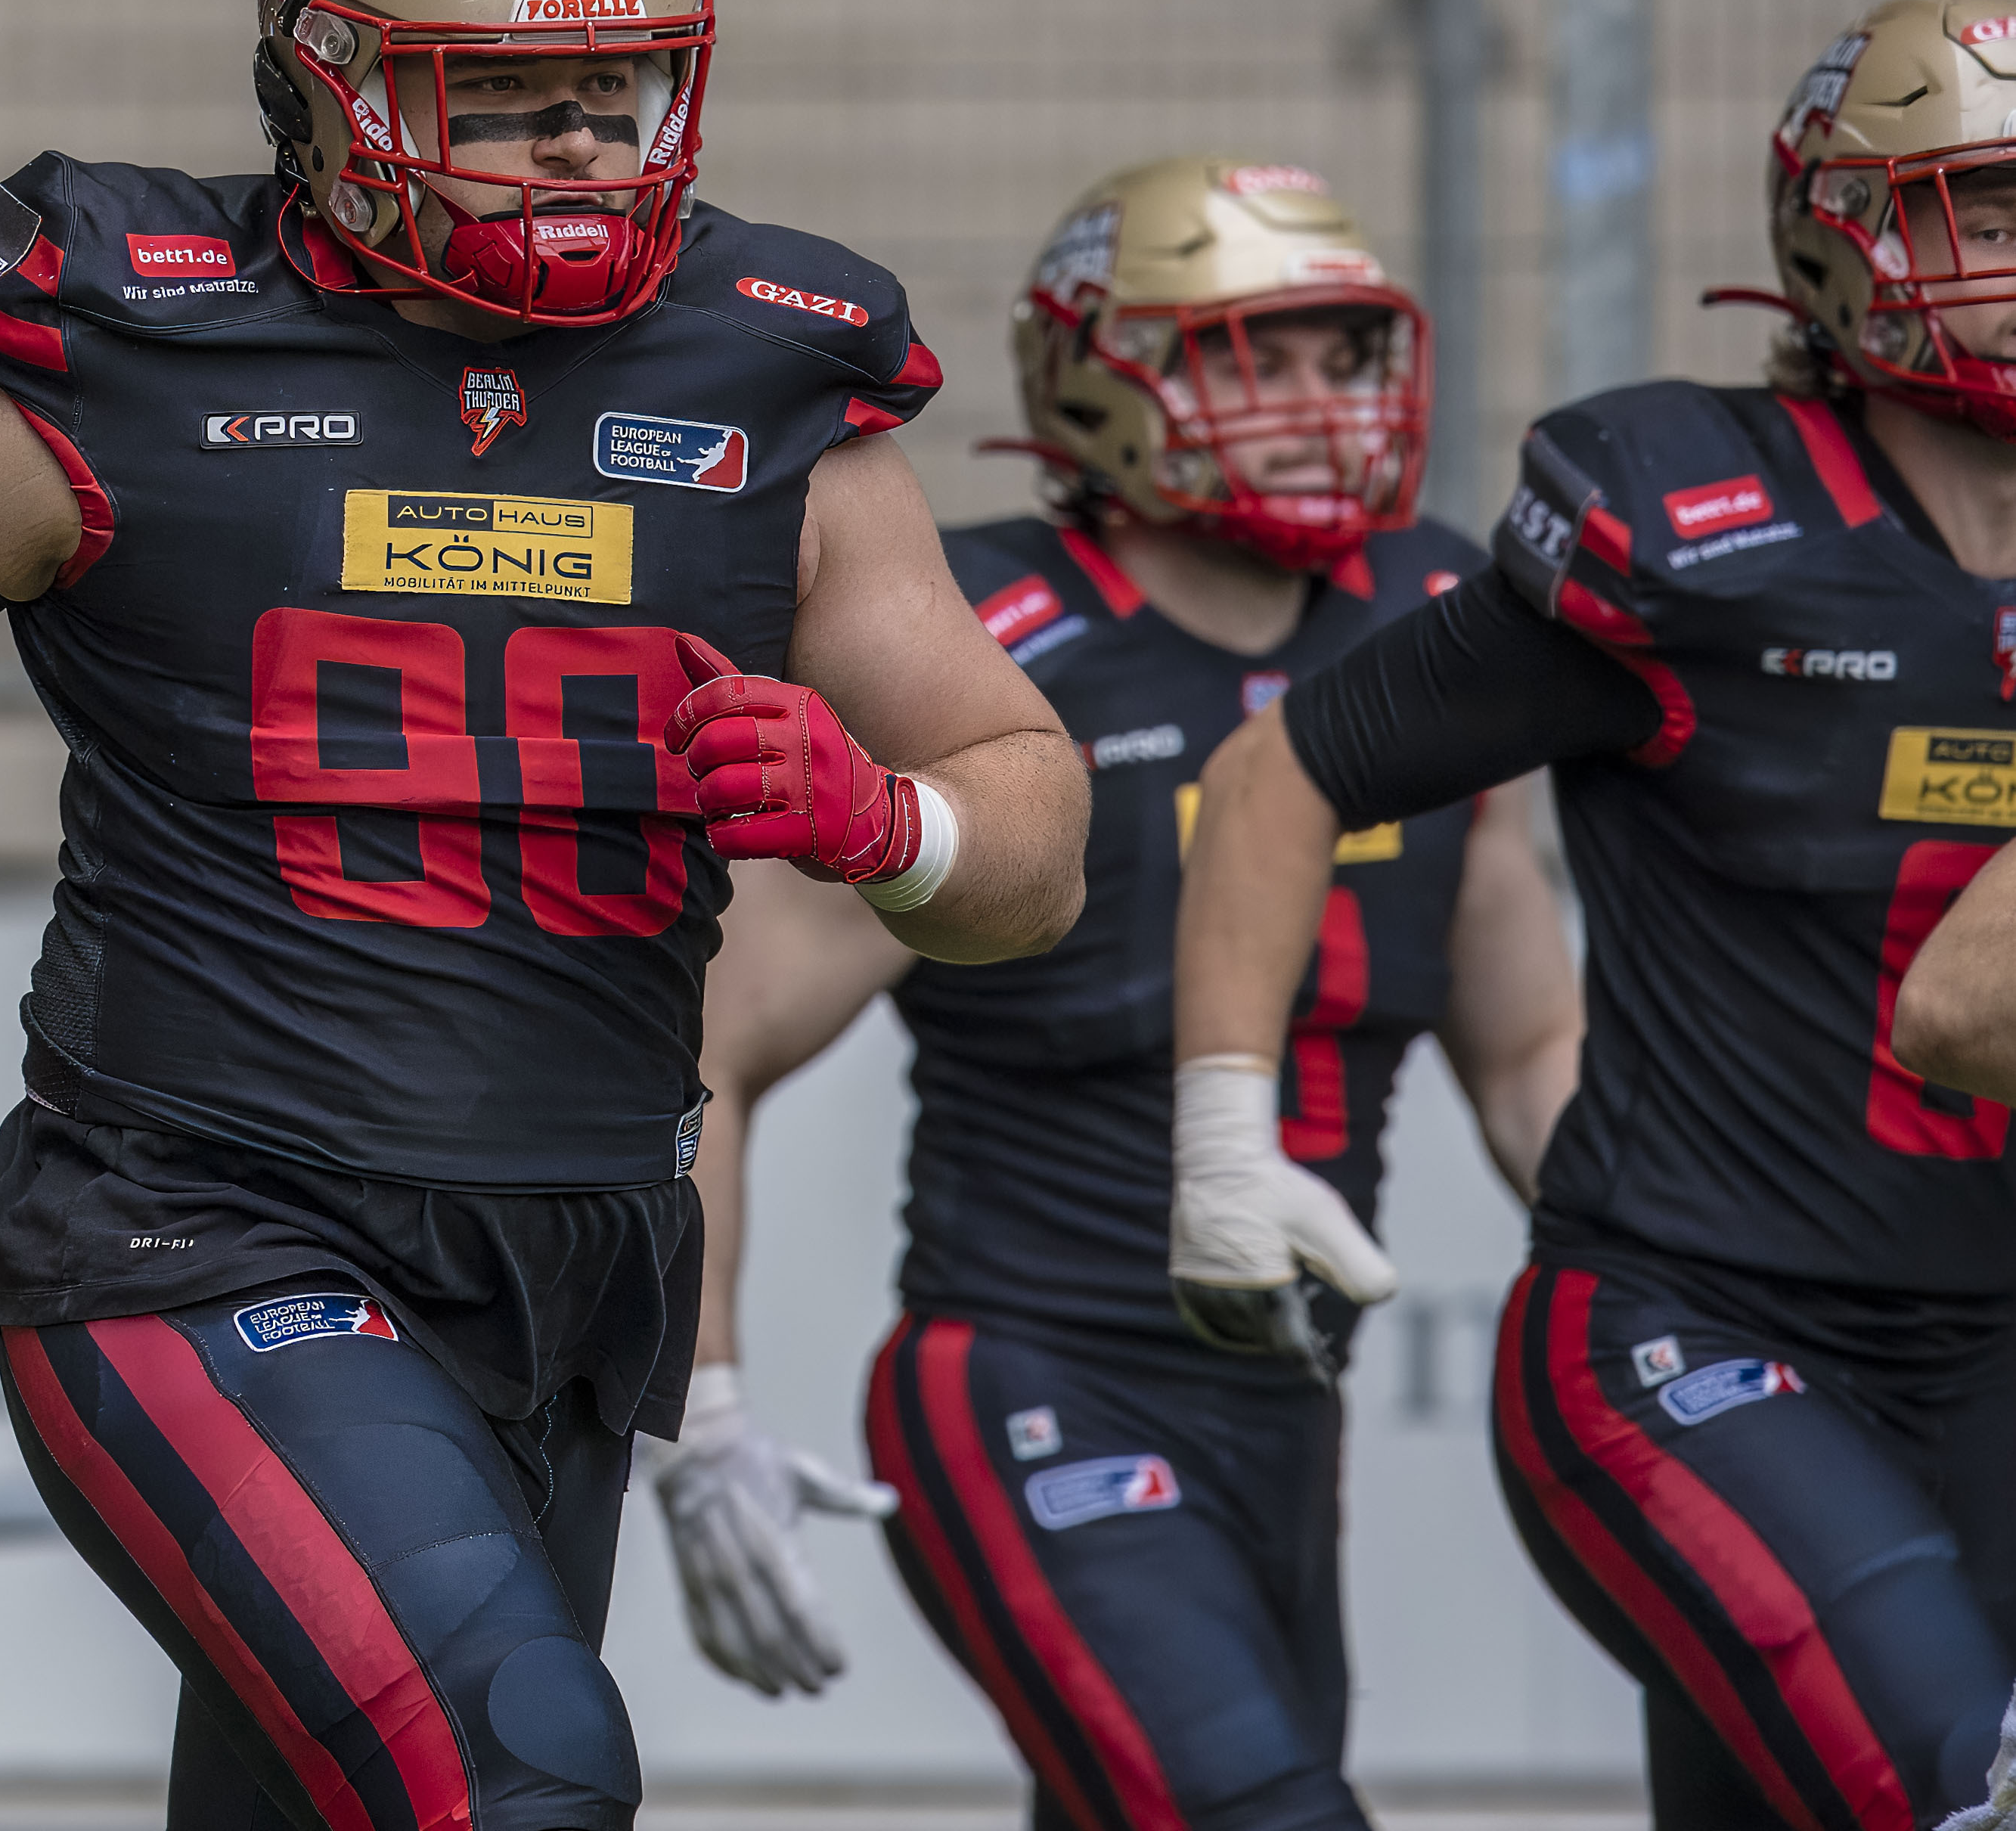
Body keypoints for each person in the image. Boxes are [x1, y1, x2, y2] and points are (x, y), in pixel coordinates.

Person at [0, 0, 1090, 1831]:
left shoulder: (772, 382)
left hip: (571, 1259)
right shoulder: (130, 343)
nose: (577, 146)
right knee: (520, 1769)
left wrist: (884, 825)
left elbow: (1028, 840)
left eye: (618, 89)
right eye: (497, 93)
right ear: (322, 79)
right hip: (197, 1232)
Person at [1171, 0, 2016, 1829]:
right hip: (1701, 1331)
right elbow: (1282, 770)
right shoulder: (1703, 532)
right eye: (1998, 210)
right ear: (1842, 237)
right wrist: (1227, 1131)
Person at [657, 159, 1582, 1829]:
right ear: (1098, 373)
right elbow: (714, 1039)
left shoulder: (1436, 615)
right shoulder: (992, 648)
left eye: (1341, 356)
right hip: (1035, 1373)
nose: (1315, 405)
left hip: (1290, 1403)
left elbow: (1527, 1052)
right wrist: (706, 1398)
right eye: (1255, 357)